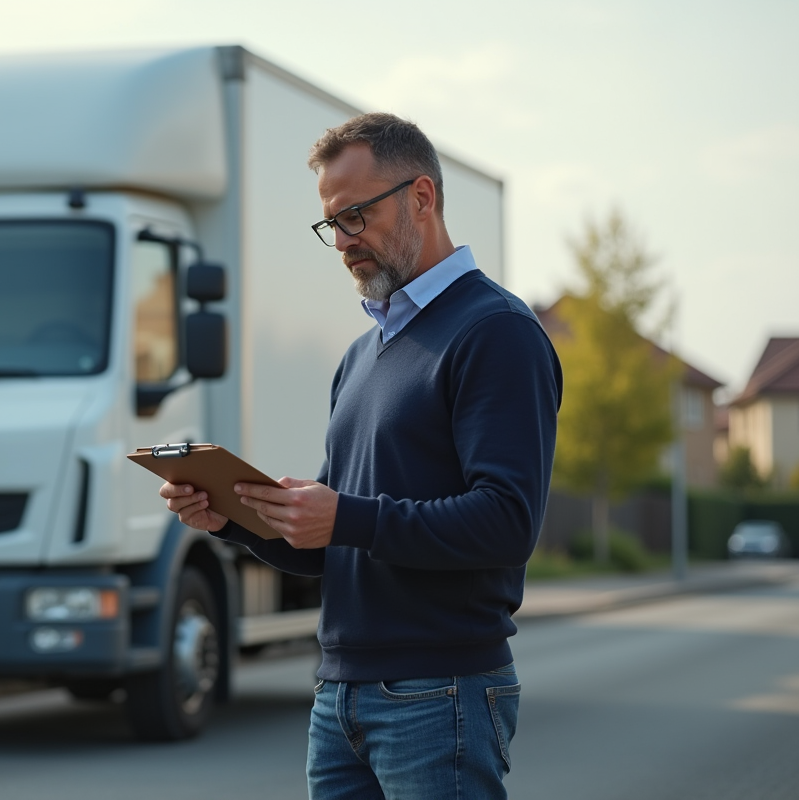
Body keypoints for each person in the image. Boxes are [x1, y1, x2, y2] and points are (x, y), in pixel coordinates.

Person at [160, 112, 562, 799]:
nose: (344, 242)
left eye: (357, 217)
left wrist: (347, 517)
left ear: (422, 198)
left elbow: (506, 522)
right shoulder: (360, 355)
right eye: (331, 225)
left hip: (441, 694)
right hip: (338, 698)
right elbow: (331, 547)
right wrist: (229, 516)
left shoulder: (496, 333)